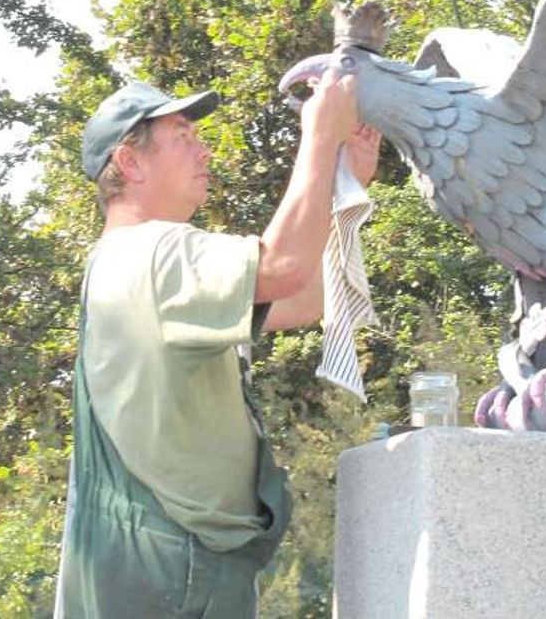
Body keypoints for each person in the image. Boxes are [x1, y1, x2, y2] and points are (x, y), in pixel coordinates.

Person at [55, 70, 381, 618]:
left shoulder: (135, 264)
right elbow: (282, 268)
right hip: (171, 570)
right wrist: (319, 139)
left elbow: (305, 300)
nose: (204, 152)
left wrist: (345, 185)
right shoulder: (153, 253)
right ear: (129, 164)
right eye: (183, 137)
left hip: (169, 567)